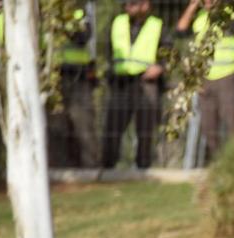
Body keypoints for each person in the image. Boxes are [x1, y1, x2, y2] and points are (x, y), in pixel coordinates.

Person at [175, 0, 234, 161]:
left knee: (232, 123)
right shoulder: (199, 17)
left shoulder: (233, 14)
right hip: (205, 79)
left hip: (228, 75)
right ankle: (218, 163)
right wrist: (192, 6)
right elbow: (180, 29)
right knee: (208, 126)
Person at [102, 0, 169, 169]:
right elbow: (108, 50)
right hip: (121, 82)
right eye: (126, 3)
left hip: (146, 83)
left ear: (146, 5)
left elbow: (169, 52)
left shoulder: (157, 25)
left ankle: (143, 168)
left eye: (133, 3)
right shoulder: (117, 22)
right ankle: (108, 168)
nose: (128, 6)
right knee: (112, 128)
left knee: (145, 130)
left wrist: (160, 67)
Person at [49, 5, 100, 168]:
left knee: (83, 126)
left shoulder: (79, 11)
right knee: (55, 128)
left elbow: (83, 36)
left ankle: (90, 171)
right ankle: (58, 171)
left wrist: (61, 24)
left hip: (79, 77)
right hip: (53, 77)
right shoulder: (42, 10)